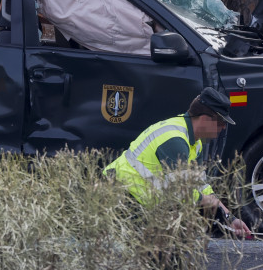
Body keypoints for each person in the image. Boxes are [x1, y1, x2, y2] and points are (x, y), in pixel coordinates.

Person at [104, 87, 252, 237]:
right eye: (221, 122)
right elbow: (180, 192)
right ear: (205, 119)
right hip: (119, 197)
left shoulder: (195, 143)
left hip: (137, 201)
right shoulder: (175, 140)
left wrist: (229, 218)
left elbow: (200, 186)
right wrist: (208, 202)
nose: (223, 127)